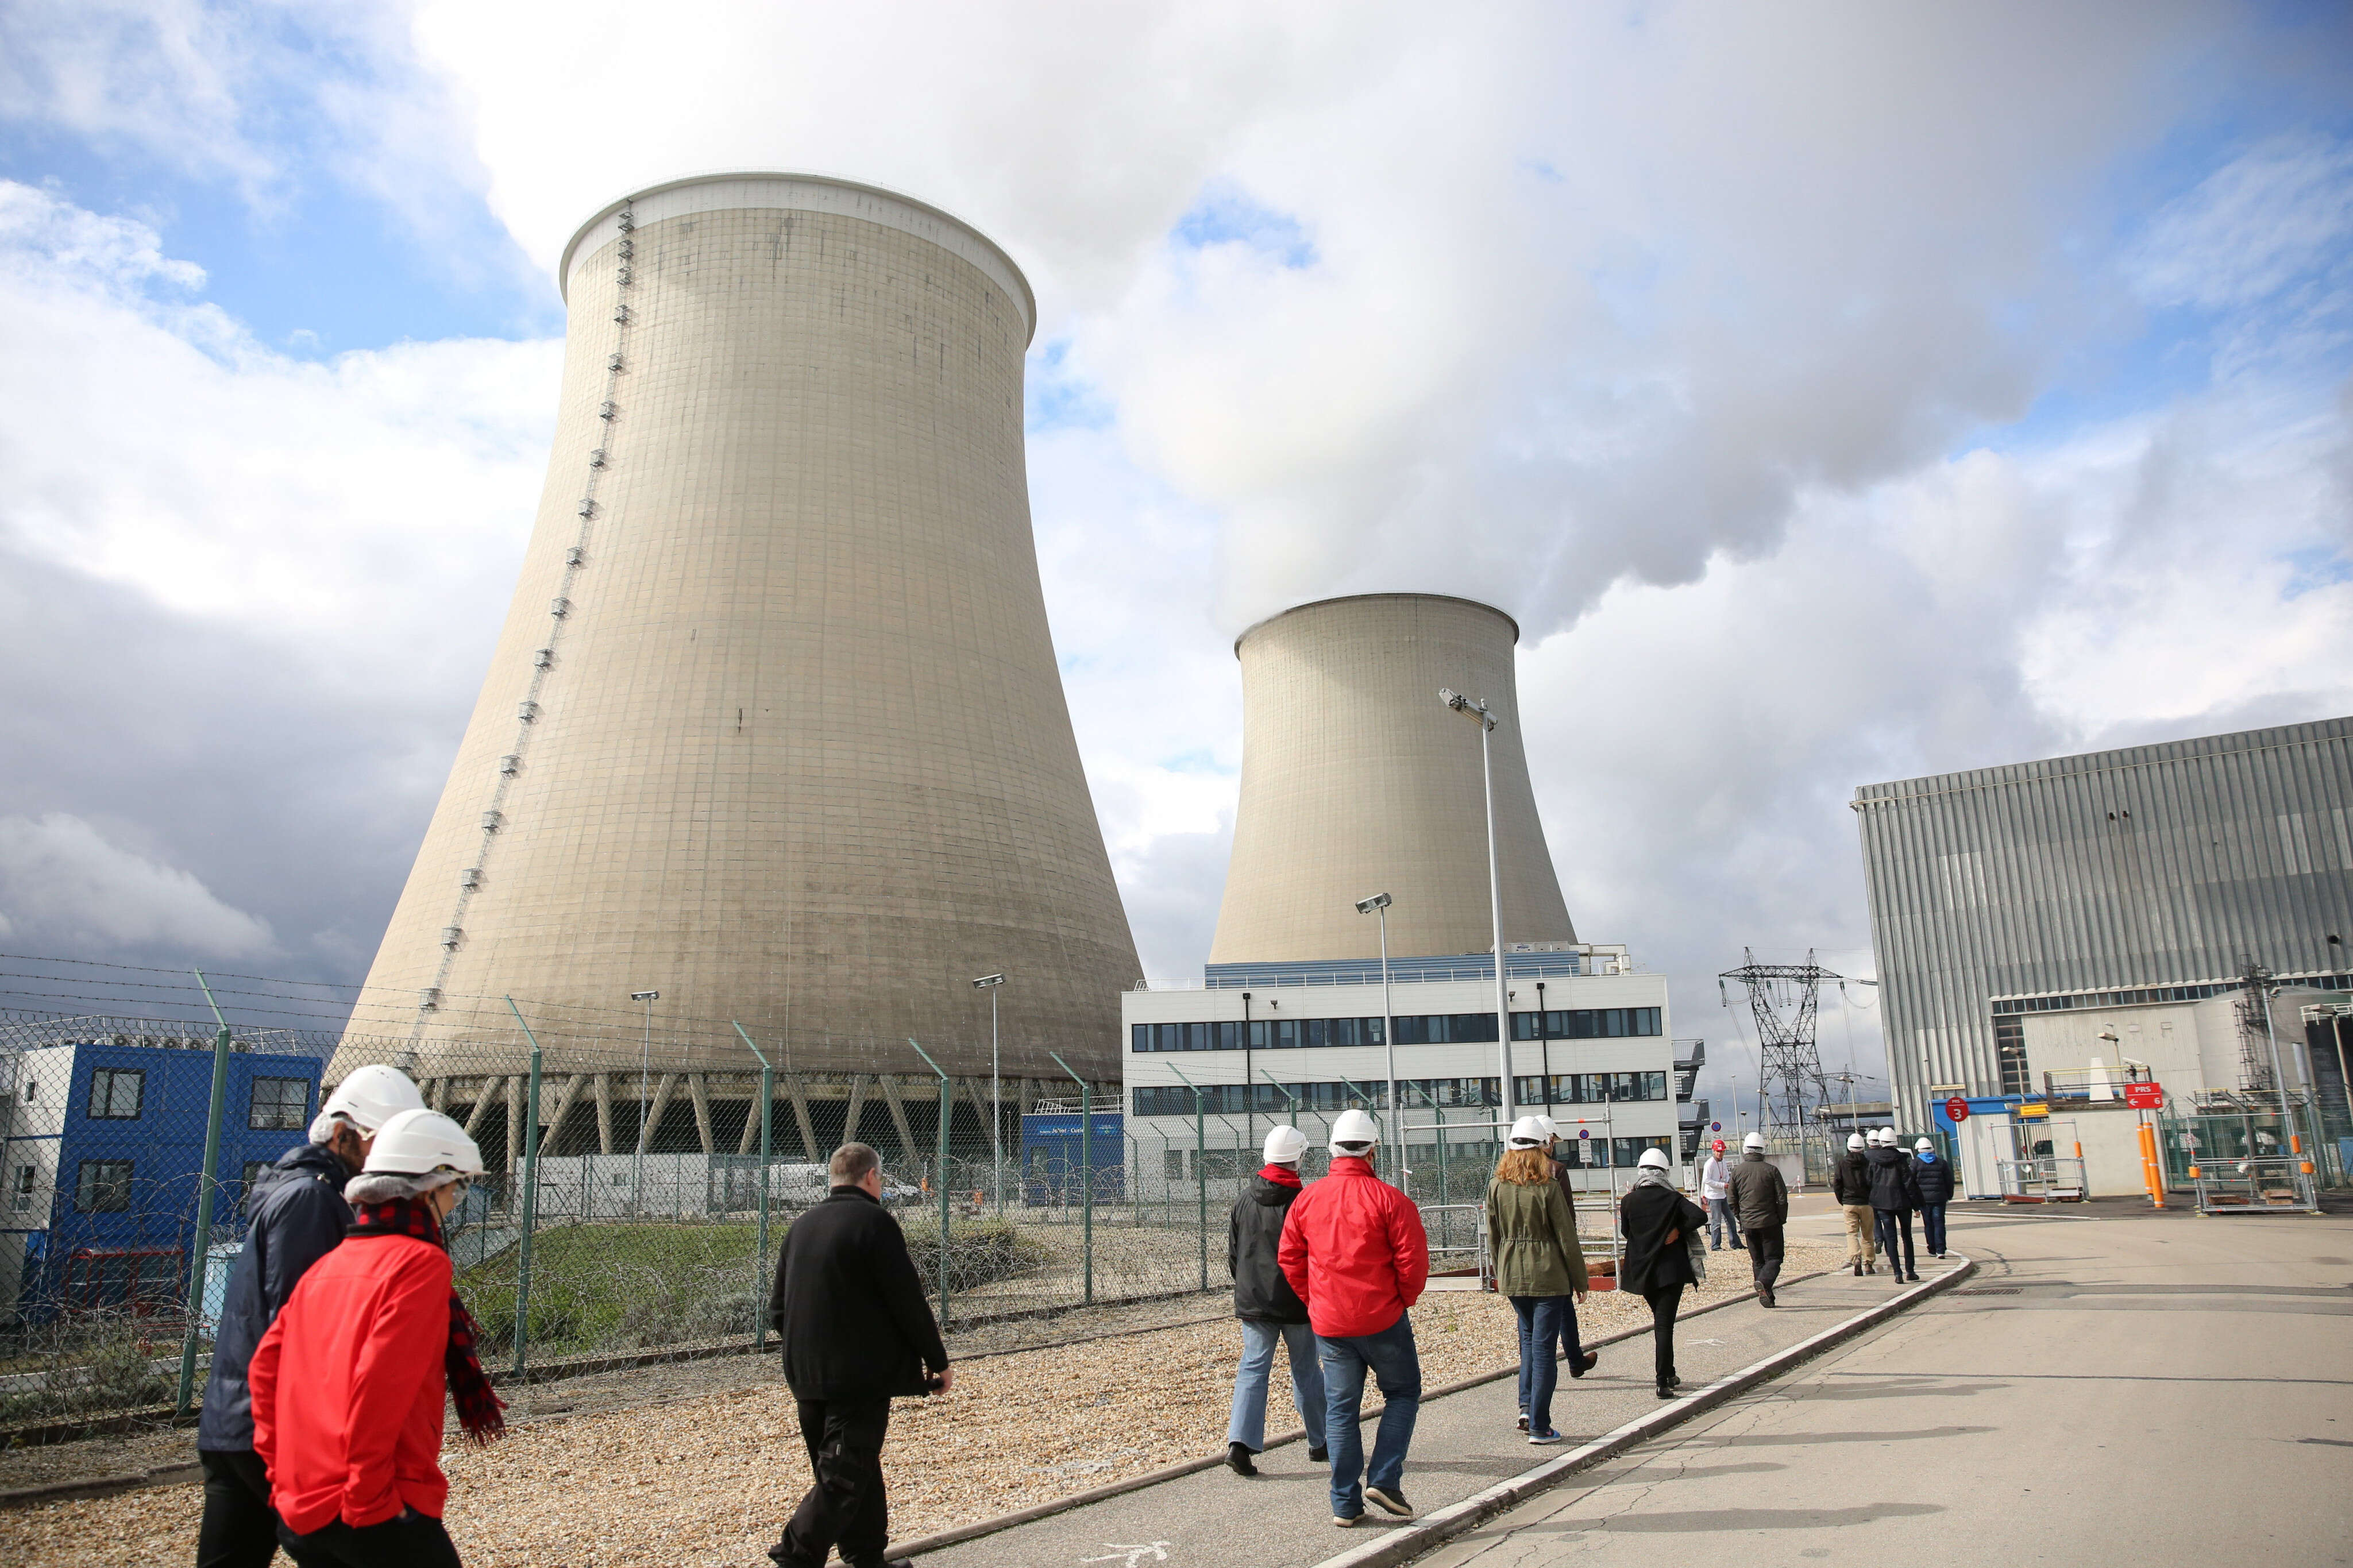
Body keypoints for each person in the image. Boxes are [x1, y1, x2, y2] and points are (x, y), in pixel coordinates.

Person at [249, 1109, 502, 1568]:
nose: (456, 1201)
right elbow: (380, 1386)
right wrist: (371, 1502)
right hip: (373, 1510)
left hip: (303, 1503)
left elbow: (265, 1370)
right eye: (458, 1188)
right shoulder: (419, 1264)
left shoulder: (331, 1264)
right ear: (431, 1185)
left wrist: (278, 1471)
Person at [197, 1065, 424, 1568]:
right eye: (379, 1145)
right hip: (270, 1426)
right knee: (346, 1552)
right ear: (343, 1135)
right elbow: (306, 1329)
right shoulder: (313, 1200)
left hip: (234, 1421)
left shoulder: (297, 1189)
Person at [765, 1142, 950, 1568]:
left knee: (854, 1470)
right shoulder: (875, 1223)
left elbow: (778, 1309)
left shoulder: (801, 1227)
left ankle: (867, 1558)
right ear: (870, 1177)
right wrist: (937, 1361)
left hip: (806, 1376)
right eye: (881, 1179)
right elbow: (907, 1300)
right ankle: (793, 1558)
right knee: (842, 1478)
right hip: (858, 1379)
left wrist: (813, 1344)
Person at [1278, 1107, 1428, 1529]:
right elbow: (1413, 1264)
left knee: (1341, 1410)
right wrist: (1402, 1300)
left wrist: (1315, 1300)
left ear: (1333, 1149)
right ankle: (1383, 1479)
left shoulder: (1308, 1199)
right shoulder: (1391, 1200)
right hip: (1383, 1319)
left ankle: (1345, 1503)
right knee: (1402, 1393)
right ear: (1373, 1149)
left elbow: (1289, 1257)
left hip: (1331, 1324)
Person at [1225, 1125, 1327, 1476]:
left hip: (1255, 1302)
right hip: (1298, 1302)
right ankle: (1321, 1441)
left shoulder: (1243, 1199)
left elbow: (1235, 1256)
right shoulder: (1305, 1201)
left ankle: (1239, 1443)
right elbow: (1316, 1255)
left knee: (1253, 1369)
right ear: (1299, 1158)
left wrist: (1249, 1288)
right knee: (1307, 1373)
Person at [1487, 1117, 1591, 1446]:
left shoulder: (1496, 1187)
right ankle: (1540, 1425)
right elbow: (1566, 1237)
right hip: (1549, 1276)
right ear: (1539, 1150)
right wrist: (1580, 1280)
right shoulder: (1547, 1188)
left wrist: (1500, 1271)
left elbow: (1493, 1237)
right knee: (1544, 1350)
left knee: (1529, 1342)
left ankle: (1527, 1409)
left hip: (1513, 1277)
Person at [1617, 1146, 1707, 1400]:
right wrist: (1677, 1229)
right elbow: (1700, 1216)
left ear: (1641, 1172)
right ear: (1665, 1172)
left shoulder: (1628, 1201)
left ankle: (1669, 1373)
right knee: (1664, 1325)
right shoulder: (1673, 1199)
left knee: (1661, 1322)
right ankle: (1662, 1381)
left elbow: (1627, 1233)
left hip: (1642, 1272)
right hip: (1671, 1271)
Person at [1727, 1131, 1789, 1307]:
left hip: (1748, 1223)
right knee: (1775, 1258)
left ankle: (1766, 1296)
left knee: (1758, 1261)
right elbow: (1782, 1198)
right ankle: (1765, 1284)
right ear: (1763, 1150)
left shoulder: (1737, 1171)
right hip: (1770, 1222)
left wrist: (1741, 1217)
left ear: (1745, 1149)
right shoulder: (1771, 1170)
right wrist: (1781, 1218)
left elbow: (1731, 1200)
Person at [1866, 1128, 1923, 1283]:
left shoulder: (1874, 1161)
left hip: (1882, 1204)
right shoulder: (1901, 1159)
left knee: (1890, 1238)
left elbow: (1869, 1182)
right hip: (1903, 1203)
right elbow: (1909, 1183)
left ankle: (1897, 1273)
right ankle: (1910, 1271)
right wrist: (1916, 1206)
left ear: (1881, 1142)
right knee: (1907, 1237)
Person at [1830, 1131, 1880, 1277]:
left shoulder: (1842, 1163)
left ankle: (1856, 1258)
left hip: (1849, 1202)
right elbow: (1874, 1183)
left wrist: (1842, 1200)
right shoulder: (1868, 1163)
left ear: (1849, 1147)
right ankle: (1869, 1263)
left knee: (1852, 1233)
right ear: (1862, 1147)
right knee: (1868, 1235)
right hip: (1866, 1203)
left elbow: (1837, 1184)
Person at [1912, 1137, 1955, 1258]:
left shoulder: (1915, 1163)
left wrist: (1914, 1201)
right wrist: (1949, 1195)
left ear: (1919, 1150)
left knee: (1928, 1224)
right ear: (1932, 1149)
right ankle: (1941, 1250)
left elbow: (1911, 1182)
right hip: (1939, 1198)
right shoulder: (1942, 1162)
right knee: (1939, 1223)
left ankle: (1932, 1249)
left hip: (1923, 1199)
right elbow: (1949, 1181)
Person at [1698, 1138, 1741, 1250]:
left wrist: (1728, 1182)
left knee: (1730, 1219)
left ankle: (1735, 1244)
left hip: (1722, 1195)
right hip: (1713, 1196)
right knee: (1716, 1221)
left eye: (1721, 1151)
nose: (1719, 1153)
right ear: (1713, 1151)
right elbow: (1707, 1180)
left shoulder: (1723, 1162)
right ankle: (1716, 1245)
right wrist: (1722, 1185)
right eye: (1717, 1151)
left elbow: (1726, 1175)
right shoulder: (1710, 1163)